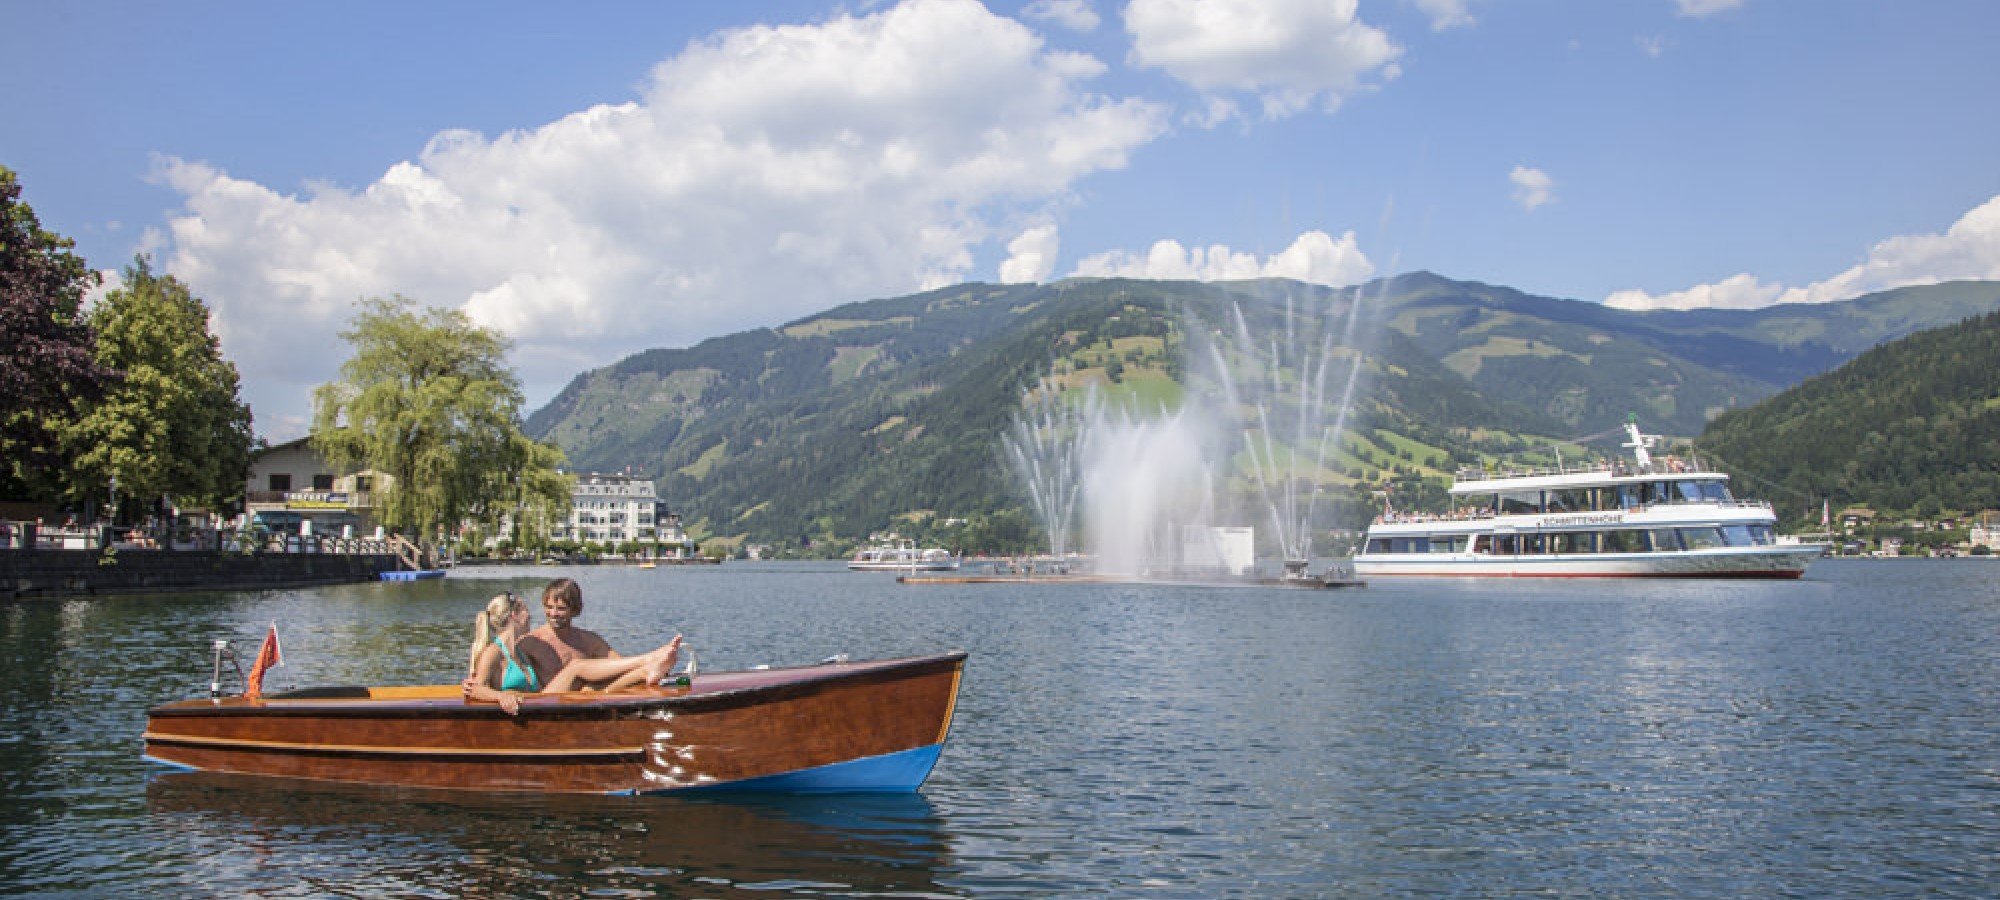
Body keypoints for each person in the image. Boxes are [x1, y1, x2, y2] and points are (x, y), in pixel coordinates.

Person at [462, 591, 681, 715]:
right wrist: (501, 697)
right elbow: (475, 688)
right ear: (515, 616)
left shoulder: (521, 649)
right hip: (535, 708)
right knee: (576, 666)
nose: (531, 616)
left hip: (539, 704)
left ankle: (645, 672)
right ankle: (647, 659)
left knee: (587, 688)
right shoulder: (494, 652)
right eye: (526, 611)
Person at [515, 578, 665, 692]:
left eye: (560, 608)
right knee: (579, 671)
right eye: (549, 607)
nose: (553, 614)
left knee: (608, 681)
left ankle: (649, 669)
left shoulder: (589, 641)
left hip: (582, 702)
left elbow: (621, 665)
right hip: (549, 705)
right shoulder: (530, 642)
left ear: (575, 610)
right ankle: (648, 661)